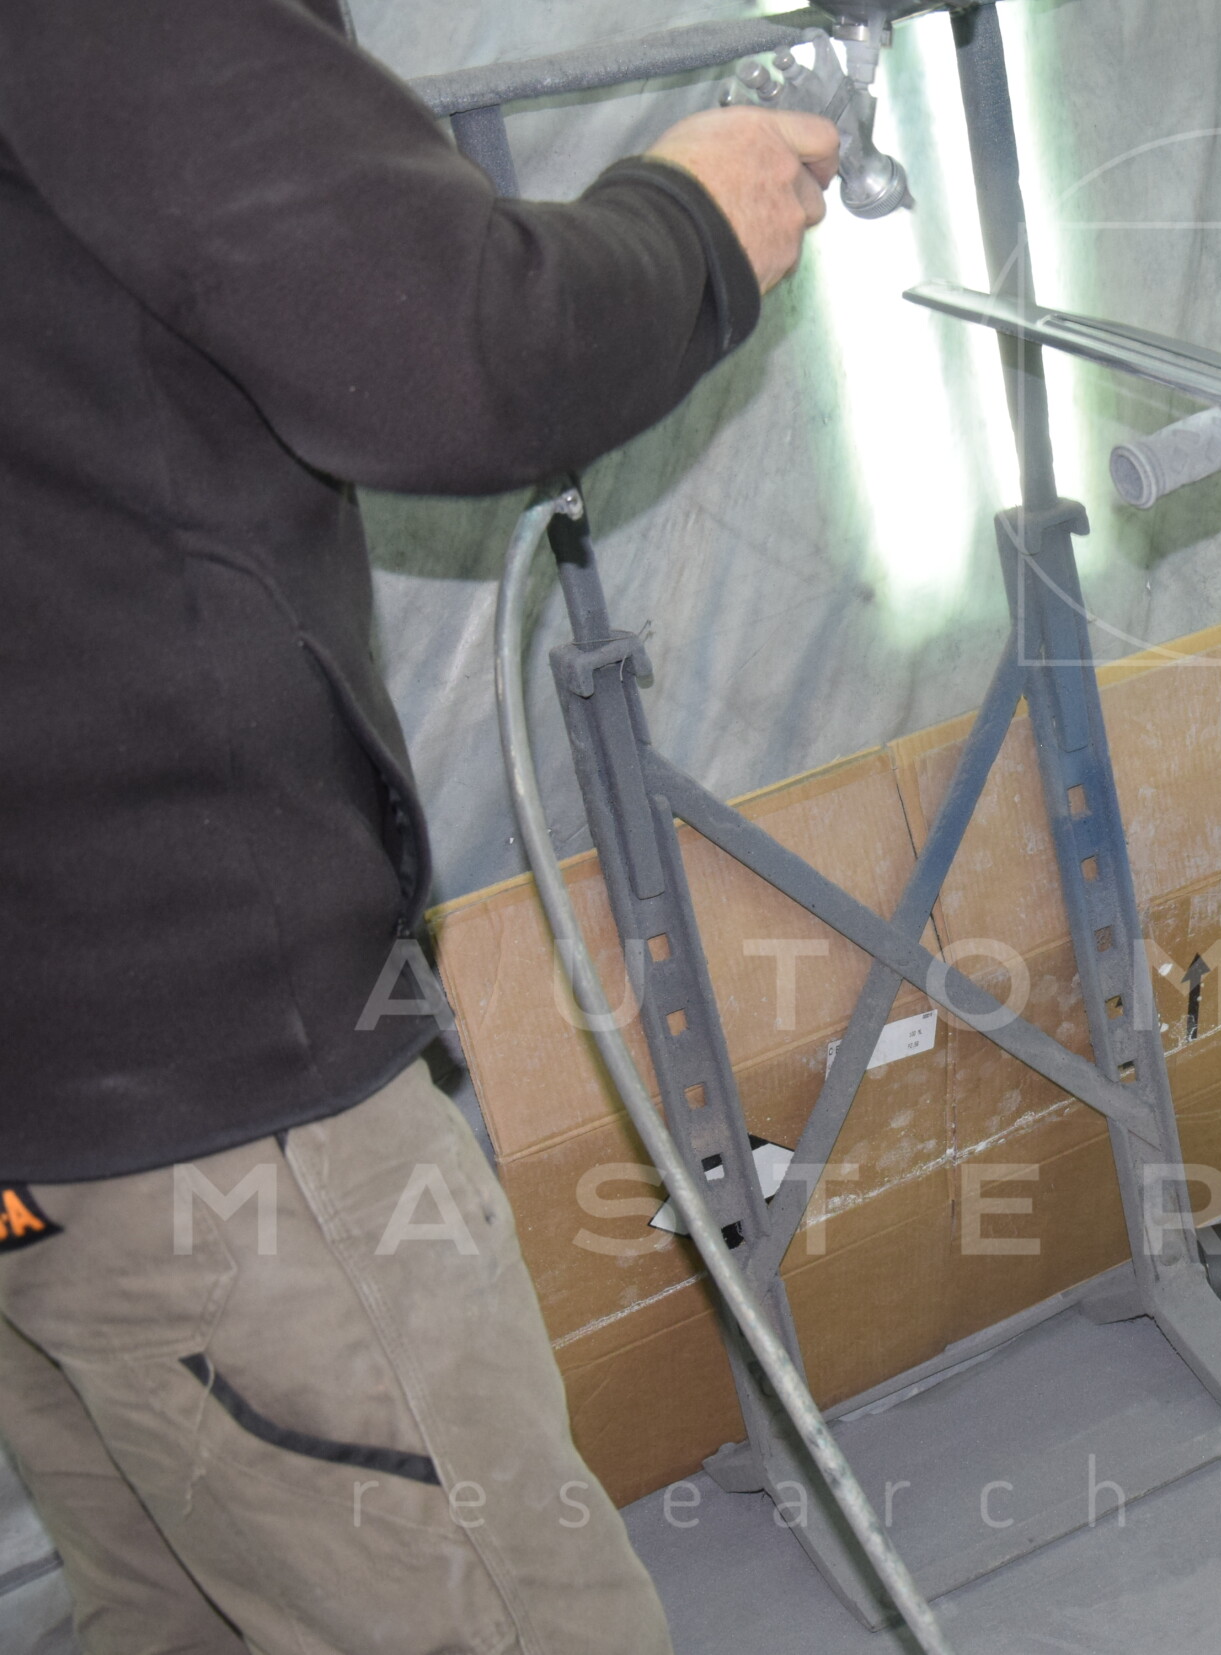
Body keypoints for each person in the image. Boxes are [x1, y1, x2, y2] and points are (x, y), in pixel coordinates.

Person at [0, 2, 838, 1649]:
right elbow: (457, 354)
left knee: (181, 1603)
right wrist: (695, 217)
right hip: (214, 1086)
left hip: (51, 1115)